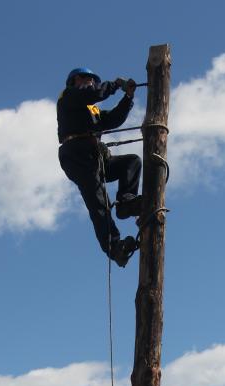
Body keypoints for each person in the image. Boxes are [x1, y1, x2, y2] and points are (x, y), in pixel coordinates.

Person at [57, 67, 142, 267]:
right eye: (90, 80)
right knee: (98, 201)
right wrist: (114, 84)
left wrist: (127, 98)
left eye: (95, 81)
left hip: (93, 155)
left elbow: (113, 119)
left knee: (131, 162)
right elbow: (94, 94)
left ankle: (125, 202)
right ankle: (114, 247)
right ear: (77, 79)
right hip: (76, 154)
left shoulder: (91, 110)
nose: (93, 84)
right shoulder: (68, 97)